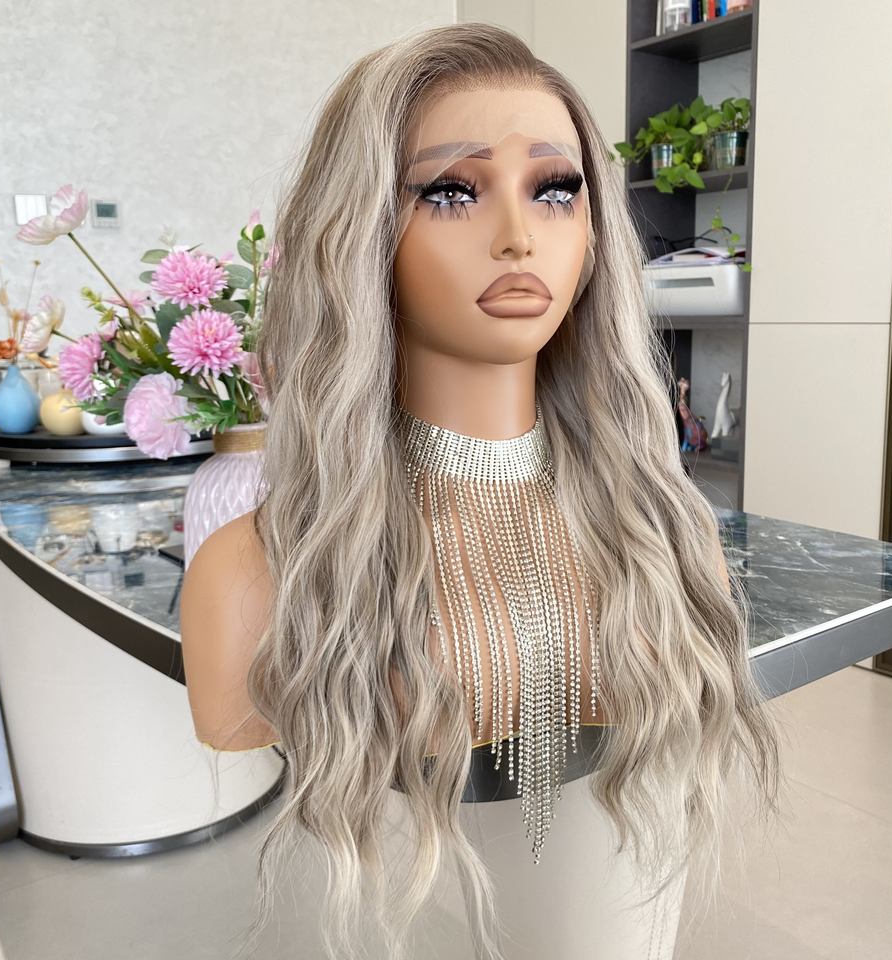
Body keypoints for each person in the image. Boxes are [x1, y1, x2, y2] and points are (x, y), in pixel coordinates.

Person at [180, 21, 784, 960]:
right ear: (358, 233)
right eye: (453, 192)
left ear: (595, 231)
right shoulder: (253, 573)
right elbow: (232, 713)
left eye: (555, 189)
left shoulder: (667, 534)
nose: (518, 237)